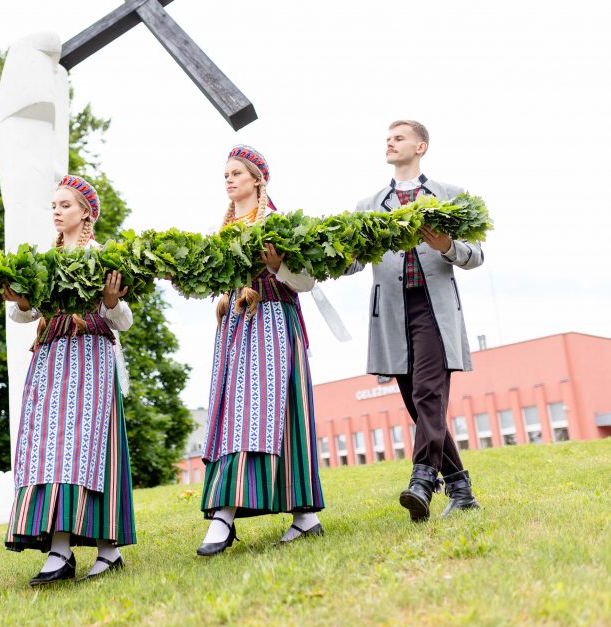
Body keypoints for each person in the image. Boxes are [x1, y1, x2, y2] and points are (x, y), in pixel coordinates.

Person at [346, 120, 483, 520]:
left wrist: (448, 246)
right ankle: (462, 492)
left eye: (399, 137)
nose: (390, 142)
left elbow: (475, 256)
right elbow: (352, 263)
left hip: (433, 309)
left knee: (428, 395)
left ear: (420, 146)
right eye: (387, 138)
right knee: (418, 403)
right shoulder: (368, 206)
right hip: (391, 311)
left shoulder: (451, 197)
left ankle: (422, 481)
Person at [2, 175, 136, 584]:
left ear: (86, 212)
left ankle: (108, 550)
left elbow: (123, 321)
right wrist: (24, 301)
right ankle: (59, 550)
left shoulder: (102, 256)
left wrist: (111, 302)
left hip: (90, 356)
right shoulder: (43, 259)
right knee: (48, 447)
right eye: (54, 206)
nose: (57, 212)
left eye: (65, 205)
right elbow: (21, 316)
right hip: (50, 358)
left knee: (88, 447)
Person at [198, 145, 325, 557]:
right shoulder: (224, 230)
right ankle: (231, 514)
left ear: (257, 179)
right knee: (238, 413)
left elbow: (306, 281)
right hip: (237, 327)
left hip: (274, 320)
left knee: (281, 412)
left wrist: (275, 266)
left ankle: (297, 515)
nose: (229, 180)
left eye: (237, 173)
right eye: (225, 175)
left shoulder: (280, 223)